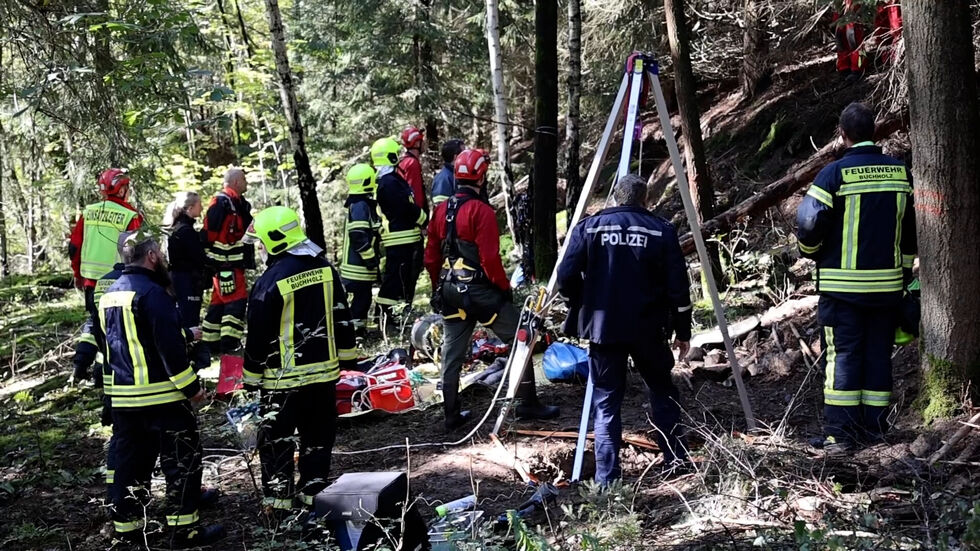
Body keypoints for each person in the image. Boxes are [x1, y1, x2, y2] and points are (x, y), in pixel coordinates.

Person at [556, 174, 693, 484]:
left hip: (604, 330)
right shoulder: (661, 230)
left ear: (616, 198)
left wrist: (580, 301)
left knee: (606, 402)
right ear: (645, 199)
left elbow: (566, 275)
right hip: (648, 327)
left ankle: (607, 480)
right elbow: (678, 288)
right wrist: (682, 330)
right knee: (661, 391)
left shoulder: (589, 227)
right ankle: (676, 461)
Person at [797, 102, 916, 452]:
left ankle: (840, 436)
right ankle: (875, 432)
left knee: (844, 357)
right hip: (888, 288)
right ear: (874, 131)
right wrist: (905, 272)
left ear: (842, 134)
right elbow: (909, 232)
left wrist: (811, 252)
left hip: (842, 289)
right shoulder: (899, 173)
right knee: (878, 355)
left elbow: (808, 223)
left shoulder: (834, 174)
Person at [99, 232, 224, 547]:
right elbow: (168, 351)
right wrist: (193, 389)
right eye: (160, 252)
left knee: (131, 467)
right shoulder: (154, 294)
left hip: (125, 401)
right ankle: (185, 532)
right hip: (164, 400)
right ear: (152, 255)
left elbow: (121, 346)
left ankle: (128, 533)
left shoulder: (110, 294)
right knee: (182, 464)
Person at [425, 148, 559, 431]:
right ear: (482, 177)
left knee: (452, 352)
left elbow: (431, 256)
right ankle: (528, 404)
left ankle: (450, 413)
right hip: (480, 292)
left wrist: (438, 287)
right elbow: (488, 259)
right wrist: (503, 289)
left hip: (450, 291)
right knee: (522, 337)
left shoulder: (440, 210)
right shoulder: (481, 211)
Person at [242, 206, 358, 521]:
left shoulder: (271, 280)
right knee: (318, 442)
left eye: (262, 241)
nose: (261, 247)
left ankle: (279, 511)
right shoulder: (325, 268)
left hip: (282, 382)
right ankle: (314, 502)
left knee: (277, 444)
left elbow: (259, 334)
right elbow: (341, 316)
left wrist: (251, 377)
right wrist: (348, 358)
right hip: (323, 379)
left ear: (275, 240)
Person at [68, 169, 143, 384]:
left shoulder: (89, 212)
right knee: (116, 330)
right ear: (122, 189)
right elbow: (136, 249)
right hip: (118, 283)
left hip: (91, 282)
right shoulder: (130, 215)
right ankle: (105, 376)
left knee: (96, 324)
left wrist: (77, 273)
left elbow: (74, 247)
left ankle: (82, 366)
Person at [372, 137, 428, 329]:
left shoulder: (391, 180)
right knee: (396, 281)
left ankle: (397, 315)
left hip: (404, 238)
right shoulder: (389, 182)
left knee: (402, 280)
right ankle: (385, 319)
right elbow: (405, 208)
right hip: (400, 239)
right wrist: (423, 218)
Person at [202, 168, 253, 358]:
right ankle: (229, 346)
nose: (247, 183)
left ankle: (210, 346)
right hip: (226, 266)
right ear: (237, 182)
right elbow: (209, 233)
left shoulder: (238, 204)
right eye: (244, 179)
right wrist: (210, 262)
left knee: (218, 305)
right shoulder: (222, 202)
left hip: (231, 265)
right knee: (236, 303)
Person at [165, 191, 211, 370]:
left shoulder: (180, 228)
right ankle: (190, 365)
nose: (202, 207)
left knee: (186, 319)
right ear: (190, 208)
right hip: (187, 284)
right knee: (189, 321)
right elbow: (198, 258)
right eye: (199, 204)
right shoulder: (185, 231)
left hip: (182, 282)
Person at [340, 164, 383, 337]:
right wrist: (370, 259)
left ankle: (359, 332)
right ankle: (352, 335)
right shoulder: (360, 206)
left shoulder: (361, 204)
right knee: (359, 303)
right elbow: (358, 236)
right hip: (357, 269)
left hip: (359, 269)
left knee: (363, 301)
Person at [832, 0, 869, 81]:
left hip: (853, 8)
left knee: (855, 38)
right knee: (841, 36)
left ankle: (858, 68)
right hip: (842, 7)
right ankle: (844, 66)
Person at [397, 125, 428, 214]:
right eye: (421, 141)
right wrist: (420, 218)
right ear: (416, 143)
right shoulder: (412, 163)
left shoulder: (404, 161)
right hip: (415, 218)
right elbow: (415, 193)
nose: (424, 143)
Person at [431, 139, 464, 206]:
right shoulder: (443, 179)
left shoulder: (456, 175)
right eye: (464, 153)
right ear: (456, 157)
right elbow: (441, 208)